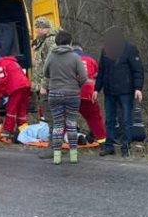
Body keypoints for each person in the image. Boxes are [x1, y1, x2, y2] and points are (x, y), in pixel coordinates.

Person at [95, 26, 144, 158]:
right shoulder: (106, 51)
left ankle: (126, 146)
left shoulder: (130, 49)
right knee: (109, 120)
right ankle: (109, 146)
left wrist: (138, 88)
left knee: (127, 119)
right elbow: (101, 71)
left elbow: (138, 70)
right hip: (109, 90)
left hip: (126, 91)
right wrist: (96, 89)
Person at [43, 31, 87, 164]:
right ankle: (73, 156)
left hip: (55, 93)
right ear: (70, 42)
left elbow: (46, 73)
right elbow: (84, 77)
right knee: (71, 124)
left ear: (56, 42)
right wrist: (76, 86)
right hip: (72, 94)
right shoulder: (74, 57)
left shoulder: (51, 56)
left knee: (57, 124)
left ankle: (57, 156)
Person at [72, 42, 107, 146]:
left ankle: (67, 140)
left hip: (71, 93)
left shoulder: (67, 58)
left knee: (65, 118)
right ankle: (103, 142)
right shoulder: (91, 60)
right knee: (95, 118)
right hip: (88, 93)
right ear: (81, 49)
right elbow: (98, 77)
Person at [0, 50, 31, 142]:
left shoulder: (0, 64)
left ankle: (7, 135)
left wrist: (3, 94)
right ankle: (24, 135)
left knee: (11, 111)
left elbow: (1, 81)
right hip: (26, 86)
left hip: (16, 88)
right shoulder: (13, 62)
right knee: (21, 112)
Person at [31, 17, 59, 119]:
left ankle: (53, 133)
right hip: (43, 85)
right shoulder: (42, 41)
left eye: (37, 28)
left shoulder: (50, 41)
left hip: (48, 85)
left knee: (50, 114)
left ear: (43, 28)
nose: (36, 31)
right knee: (46, 113)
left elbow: (51, 63)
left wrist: (44, 84)